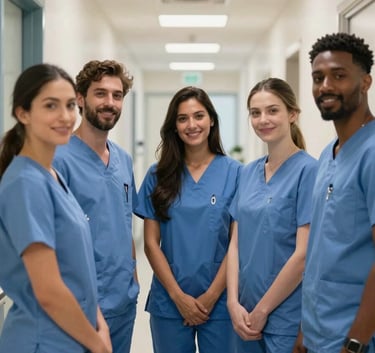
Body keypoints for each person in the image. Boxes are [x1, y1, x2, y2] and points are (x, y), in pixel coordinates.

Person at [0, 63, 111, 353]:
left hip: (72, 334)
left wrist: (98, 321)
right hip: (43, 340)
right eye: (51, 106)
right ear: (23, 113)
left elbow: (75, 268)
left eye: (71, 105)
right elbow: (48, 291)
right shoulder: (25, 183)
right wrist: (96, 343)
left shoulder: (51, 175)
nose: (65, 116)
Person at [135, 86, 242, 353]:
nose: (191, 124)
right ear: (174, 126)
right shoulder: (157, 175)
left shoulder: (235, 173)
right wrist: (177, 297)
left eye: (199, 116)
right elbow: (150, 242)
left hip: (219, 300)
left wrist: (211, 296)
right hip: (169, 301)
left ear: (212, 120)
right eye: (182, 118)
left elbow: (236, 243)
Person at [296, 32, 375, 353]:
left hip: (353, 337)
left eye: (339, 76)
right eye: (318, 77)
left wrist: (356, 341)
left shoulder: (371, 153)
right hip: (319, 331)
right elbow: (320, 250)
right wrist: (305, 330)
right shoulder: (328, 153)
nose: (325, 86)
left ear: (365, 82)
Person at [53, 60, 139, 353]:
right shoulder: (58, 160)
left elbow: (124, 223)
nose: (110, 103)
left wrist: (133, 281)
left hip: (123, 303)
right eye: (100, 93)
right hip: (80, 308)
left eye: (117, 95)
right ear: (80, 98)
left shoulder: (123, 161)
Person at [227, 77, 318, 353]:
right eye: (255, 113)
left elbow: (303, 255)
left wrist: (263, 310)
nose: (263, 119)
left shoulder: (308, 171)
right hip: (244, 313)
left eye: (272, 110)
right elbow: (235, 243)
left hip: (285, 317)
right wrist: (233, 302)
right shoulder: (247, 172)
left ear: (292, 114)